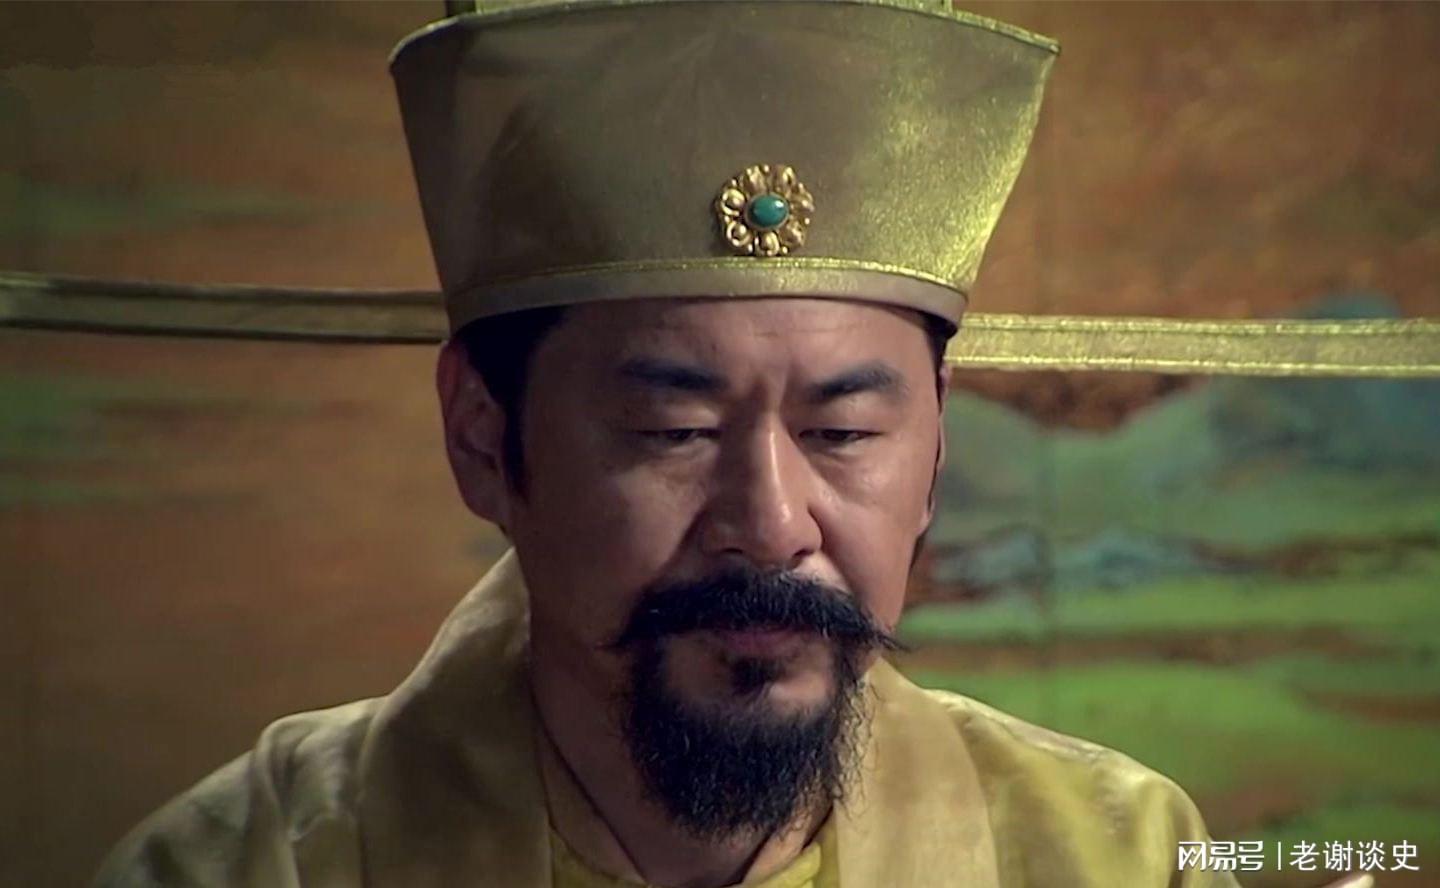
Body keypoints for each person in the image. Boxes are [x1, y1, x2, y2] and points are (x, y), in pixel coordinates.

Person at [93, 2, 1358, 886]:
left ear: (933, 451)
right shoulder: (251, 861)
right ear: (483, 438)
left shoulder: (1117, 854)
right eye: (674, 429)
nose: (770, 523)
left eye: (842, 430)